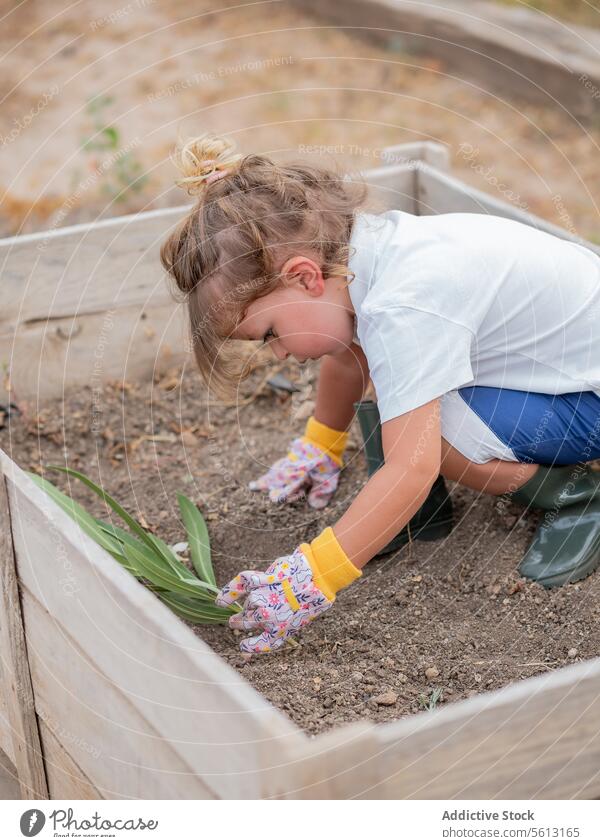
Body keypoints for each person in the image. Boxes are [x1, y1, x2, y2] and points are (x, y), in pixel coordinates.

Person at [160, 131, 600, 654]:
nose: (277, 353)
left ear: (303, 278)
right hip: (550, 376)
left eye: (271, 333)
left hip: (586, 398)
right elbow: (349, 357)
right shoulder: (363, 255)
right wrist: (320, 445)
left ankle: (576, 499)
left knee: (426, 441)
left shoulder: (404, 304)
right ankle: (418, 511)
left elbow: (409, 464)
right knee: (397, 391)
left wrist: (312, 577)